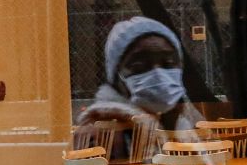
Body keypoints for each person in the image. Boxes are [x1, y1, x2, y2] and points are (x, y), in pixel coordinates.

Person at [75, 17, 202, 155]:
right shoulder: (104, 130)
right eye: (138, 66)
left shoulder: (182, 123)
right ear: (116, 76)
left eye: (168, 63)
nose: (158, 74)